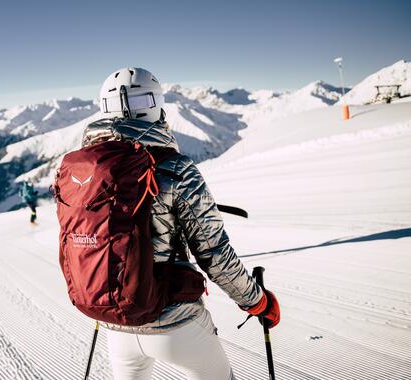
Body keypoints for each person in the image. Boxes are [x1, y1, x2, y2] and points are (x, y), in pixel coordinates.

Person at [83, 68, 280, 380]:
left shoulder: (87, 168)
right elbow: (214, 255)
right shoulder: (175, 168)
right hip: (174, 321)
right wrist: (257, 301)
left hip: (115, 323)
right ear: (155, 105)